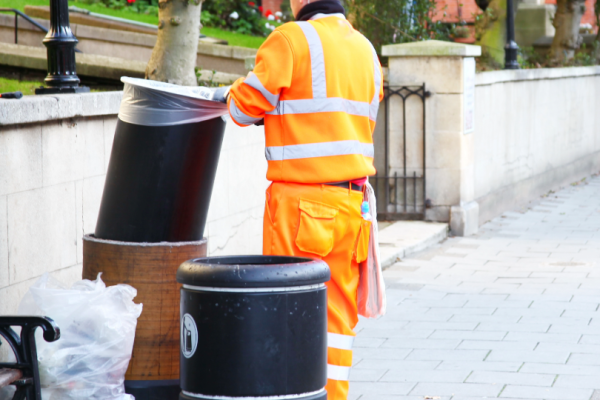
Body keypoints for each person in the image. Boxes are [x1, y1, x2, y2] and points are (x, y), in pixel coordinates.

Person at [224, 0, 383, 398]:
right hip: (353, 205)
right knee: (338, 323)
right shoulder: (365, 49)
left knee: (287, 316)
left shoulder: (290, 40)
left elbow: (242, 109)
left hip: (303, 208)